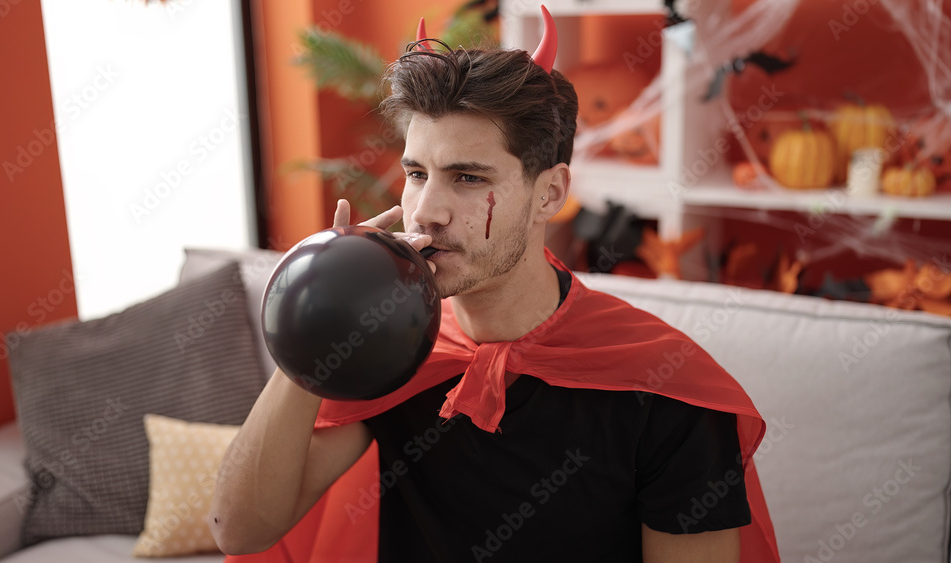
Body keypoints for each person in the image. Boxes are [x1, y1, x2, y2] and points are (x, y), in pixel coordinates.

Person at [210, 7, 778, 562]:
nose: (426, 212)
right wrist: (318, 321)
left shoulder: (668, 392)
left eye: (467, 178)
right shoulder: (393, 347)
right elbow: (240, 530)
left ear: (550, 194)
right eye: (416, 174)